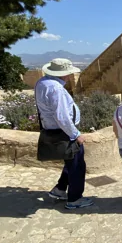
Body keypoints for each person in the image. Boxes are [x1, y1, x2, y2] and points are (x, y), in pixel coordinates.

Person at [35, 58, 93, 210]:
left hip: (54, 129)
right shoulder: (56, 89)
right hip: (65, 132)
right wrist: (75, 134)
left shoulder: (42, 82)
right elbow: (61, 116)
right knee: (77, 165)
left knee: (70, 161)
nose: (69, 76)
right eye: (68, 73)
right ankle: (74, 199)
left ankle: (59, 190)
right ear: (63, 74)